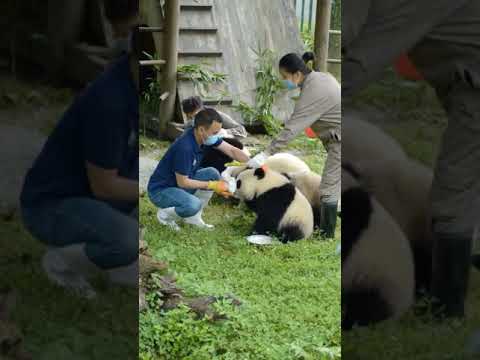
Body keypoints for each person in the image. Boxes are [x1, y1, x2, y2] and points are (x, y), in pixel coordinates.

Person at [342, 0, 480, 319]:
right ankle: (438, 293)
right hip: (464, 81)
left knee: (455, 186)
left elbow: (357, 63)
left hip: (472, 88)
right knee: (456, 189)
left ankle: (446, 307)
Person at [20, 0, 140, 298]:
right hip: (51, 205)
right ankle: (61, 262)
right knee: (127, 241)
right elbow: (105, 186)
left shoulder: (139, 90)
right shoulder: (110, 100)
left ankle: (106, 249)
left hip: (93, 200)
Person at [248, 53, 341, 239]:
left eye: (285, 77)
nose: (284, 81)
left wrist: (266, 153)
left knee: (328, 187)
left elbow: (291, 129)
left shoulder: (313, 92)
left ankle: (326, 235)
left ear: (297, 74)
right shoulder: (321, 77)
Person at [148, 108, 250, 230]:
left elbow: (232, 150)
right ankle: (165, 215)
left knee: (212, 173)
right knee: (193, 204)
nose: (217, 136)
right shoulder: (185, 147)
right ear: (202, 129)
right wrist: (213, 185)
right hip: (161, 190)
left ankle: (193, 218)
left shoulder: (204, 138)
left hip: (178, 184)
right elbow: (183, 182)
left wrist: (252, 162)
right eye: (215, 132)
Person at [181, 96, 248, 138]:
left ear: (202, 109)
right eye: (190, 117)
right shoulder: (191, 122)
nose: (193, 119)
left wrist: (224, 132)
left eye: (195, 115)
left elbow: (242, 130)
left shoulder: (216, 116)